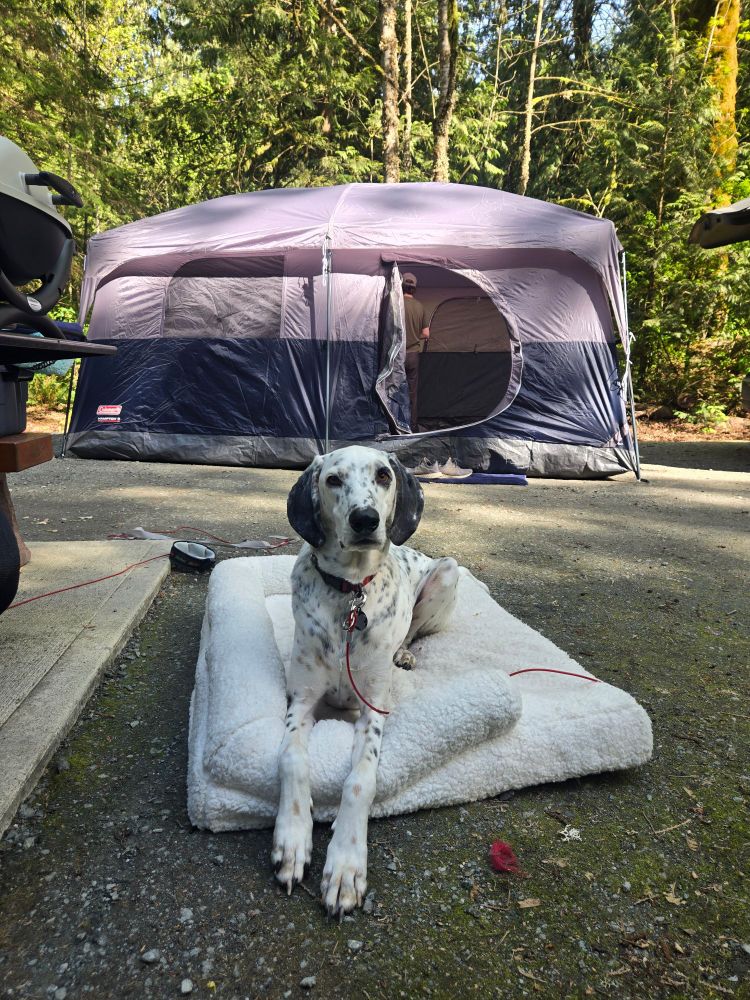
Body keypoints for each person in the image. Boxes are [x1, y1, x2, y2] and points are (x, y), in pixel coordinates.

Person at [402, 272, 429, 431]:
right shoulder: (420, 306)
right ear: (414, 289)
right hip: (413, 355)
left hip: (396, 355)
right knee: (412, 394)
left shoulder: (395, 304)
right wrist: (414, 335)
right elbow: (426, 334)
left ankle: (395, 427)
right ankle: (412, 427)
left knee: (394, 391)